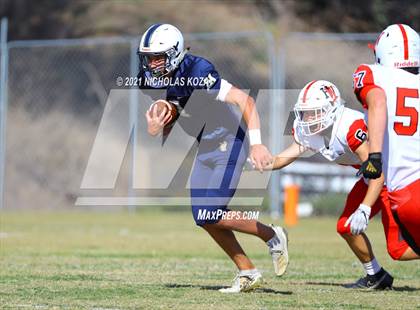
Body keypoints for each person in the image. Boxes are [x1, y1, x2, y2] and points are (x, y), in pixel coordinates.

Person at [137, 23, 289, 293]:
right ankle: (248, 271)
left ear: (174, 54)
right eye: (147, 58)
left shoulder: (199, 72)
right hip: (206, 145)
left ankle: (272, 234)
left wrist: (257, 145)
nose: (151, 65)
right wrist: (159, 125)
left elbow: (246, 101)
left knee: (210, 212)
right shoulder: (149, 78)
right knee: (203, 217)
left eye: (157, 58)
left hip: (230, 141)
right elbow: (172, 105)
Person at [266, 80, 413, 289]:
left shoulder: (349, 127)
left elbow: (377, 172)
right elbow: (283, 158)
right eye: (306, 113)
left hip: (393, 175)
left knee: (398, 249)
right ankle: (376, 276)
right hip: (371, 177)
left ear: (332, 109)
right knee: (345, 226)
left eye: (315, 112)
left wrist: (364, 208)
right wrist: (259, 163)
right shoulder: (307, 131)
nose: (309, 119)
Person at [352, 24, 420, 257]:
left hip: (408, 191)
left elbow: (378, 100)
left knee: (399, 248)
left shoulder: (373, 74)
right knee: (398, 249)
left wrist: (374, 156)